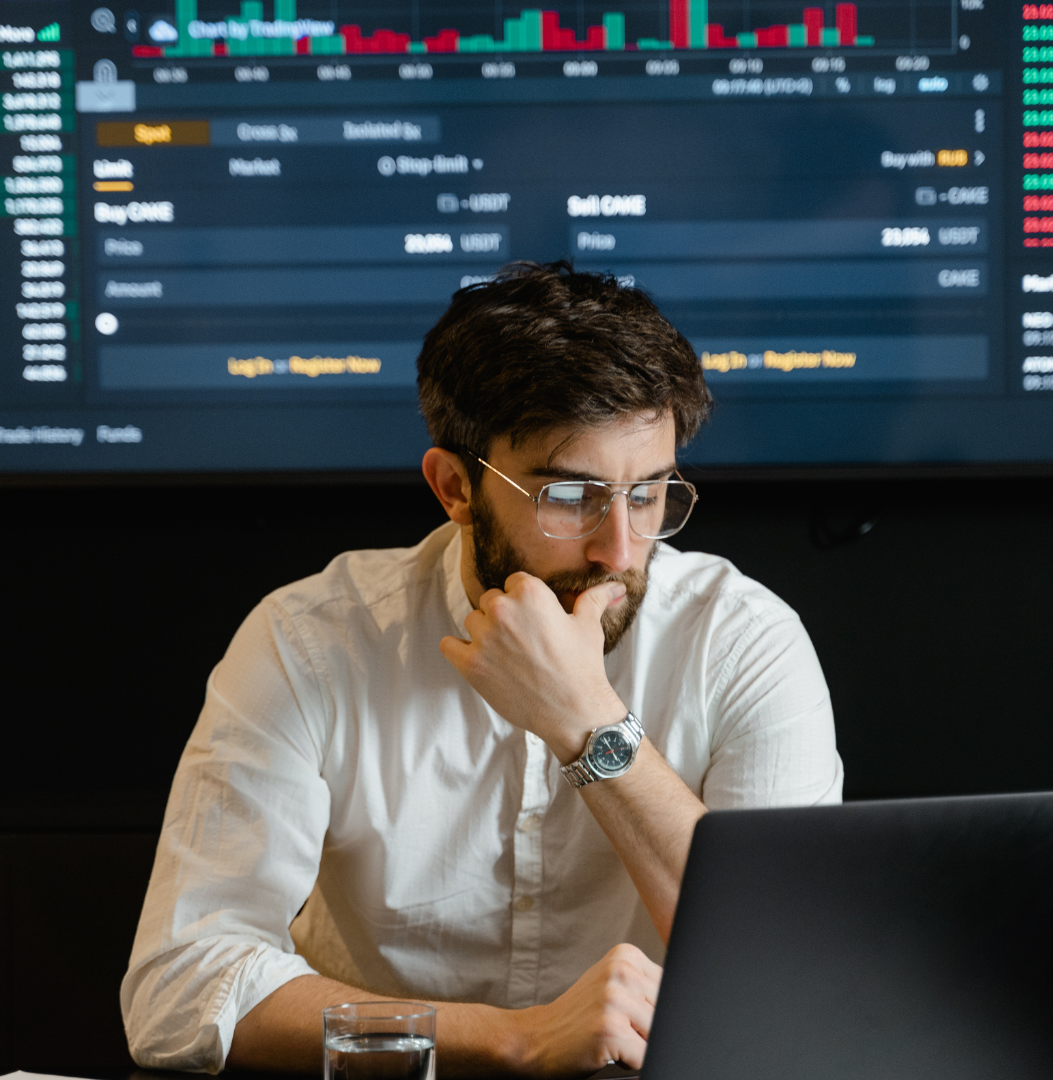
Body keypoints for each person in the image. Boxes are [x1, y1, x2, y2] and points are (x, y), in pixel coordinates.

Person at [122, 262, 842, 1077]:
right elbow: (180, 989)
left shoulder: (745, 641)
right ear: (455, 487)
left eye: (648, 495)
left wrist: (590, 728)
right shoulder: (309, 641)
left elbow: (796, 971)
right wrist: (515, 1041)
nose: (620, 550)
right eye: (571, 497)